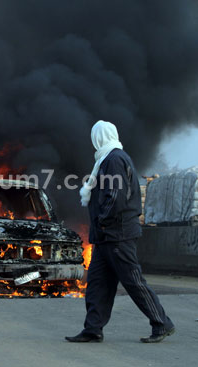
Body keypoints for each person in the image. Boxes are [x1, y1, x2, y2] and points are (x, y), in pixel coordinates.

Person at [66, 120, 175, 344]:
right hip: (105, 237)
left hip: (117, 234)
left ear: (99, 137)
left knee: (133, 281)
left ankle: (161, 322)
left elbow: (114, 196)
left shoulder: (114, 159)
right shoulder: (106, 160)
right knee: (97, 283)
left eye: (94, 136)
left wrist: (103, 221)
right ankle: (93, 328)